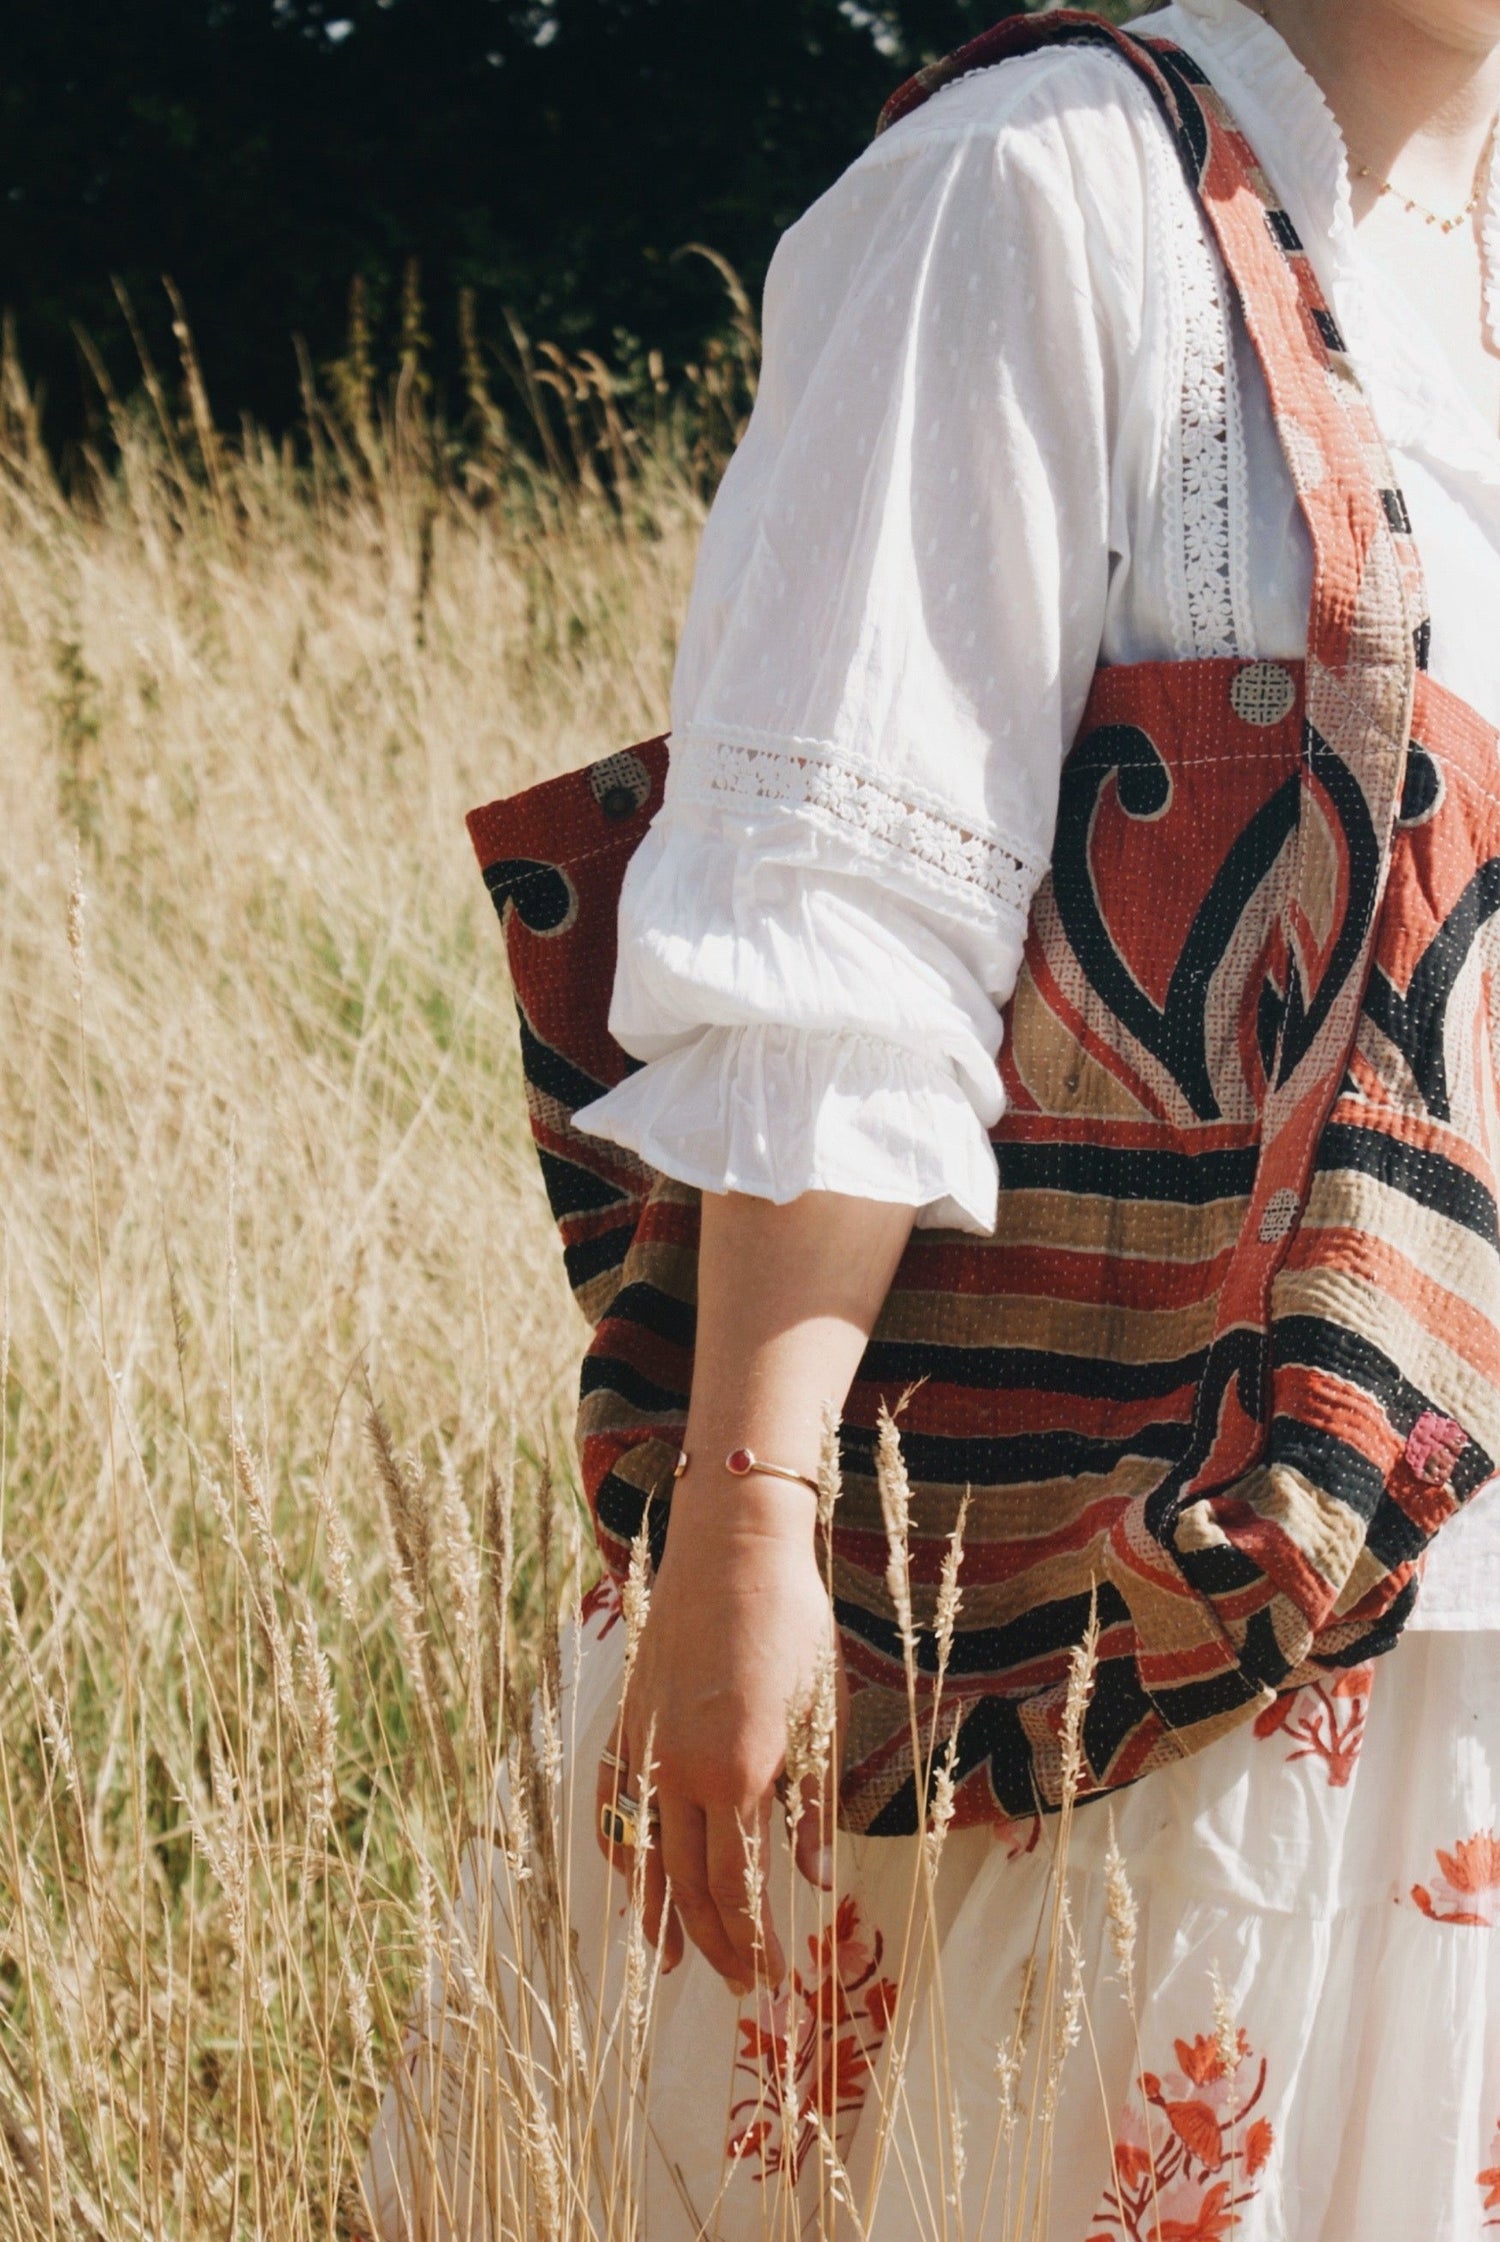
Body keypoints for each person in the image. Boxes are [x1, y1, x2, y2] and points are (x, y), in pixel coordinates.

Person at [363, 2, 1500, 2234]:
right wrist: (753, 1515)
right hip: (1057, 1626)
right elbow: (853, 899)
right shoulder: (1038, 182)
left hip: (1444, 1636)